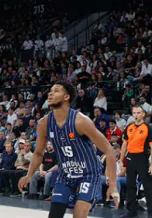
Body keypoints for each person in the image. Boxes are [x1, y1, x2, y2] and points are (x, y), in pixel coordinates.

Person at [19, 82, 119, 218]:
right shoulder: (44, 123)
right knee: (54, 214)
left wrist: (112, 185)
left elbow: (109, 150)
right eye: (50, 91)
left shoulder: (80, 121)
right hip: (66, 174)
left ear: (66, 97)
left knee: (78, 214)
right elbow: (38, 153)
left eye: (56, 91)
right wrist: (29, 175)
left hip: (88, 174)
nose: (50, 93)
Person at [120, 106, 152, 218]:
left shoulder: (147, 128)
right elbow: (124, 144)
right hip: (130, 157)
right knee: (130, 185)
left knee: (147, 185)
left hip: (142, 158)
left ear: (143, 114)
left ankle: (151, 211)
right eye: (134, 113)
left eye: (138, 112)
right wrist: (121, 160)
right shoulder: (129, 126)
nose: (136, 115)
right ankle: (131, 211)